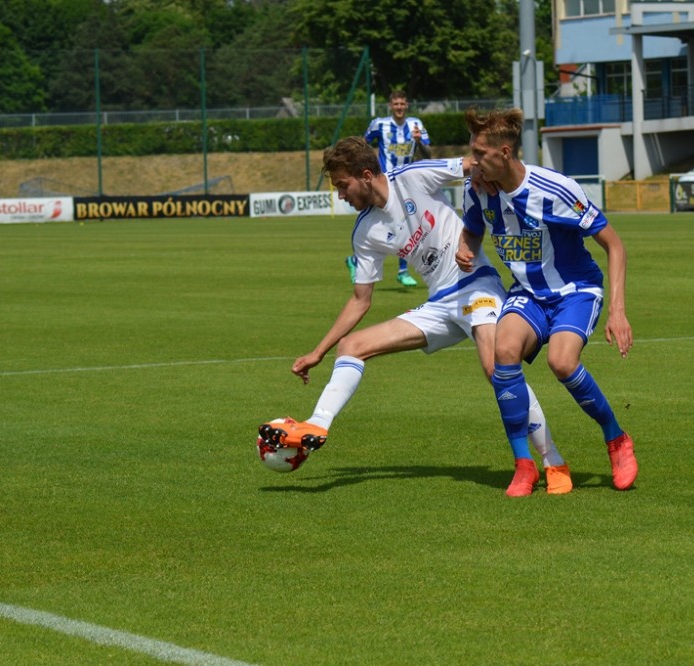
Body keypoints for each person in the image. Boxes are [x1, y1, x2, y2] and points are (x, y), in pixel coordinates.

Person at [260, 136, 573, 494]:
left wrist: (497, 179)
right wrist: (319, 352)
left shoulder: (412, 177)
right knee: (351, 346)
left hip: (476, 286)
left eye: (343, 185)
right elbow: (361, 300)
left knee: (495, 368)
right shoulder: (365, 232)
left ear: (366, 175)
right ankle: (318, 422)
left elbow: (474, 163)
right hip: (439, 304)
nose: (341, 195)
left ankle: (552, 461)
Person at [457, 107, 638, 495]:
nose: (472, 161)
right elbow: (471, 230)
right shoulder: (476, 188)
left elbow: (614, 245)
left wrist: (618, 311)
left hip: (575, 290)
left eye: (479, 153)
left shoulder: (556, 189)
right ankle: (524, 465)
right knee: (503, 352)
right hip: (528, 293)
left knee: (562, 361)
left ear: (505, 152)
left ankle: (616, 438)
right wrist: (464, 247)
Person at [344, 90, 430, 288]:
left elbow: (428, 154)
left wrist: (418, 141)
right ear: (390, 106)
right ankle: (391, 268)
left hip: (406, 182)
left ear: (407, 105)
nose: (399, 107)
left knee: (404, 223)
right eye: (396, 104)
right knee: (391, 223)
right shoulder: (379, 124)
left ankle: (397, 270)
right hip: (383, 182)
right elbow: (362, 146)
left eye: (402, 103)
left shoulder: (416, 124)